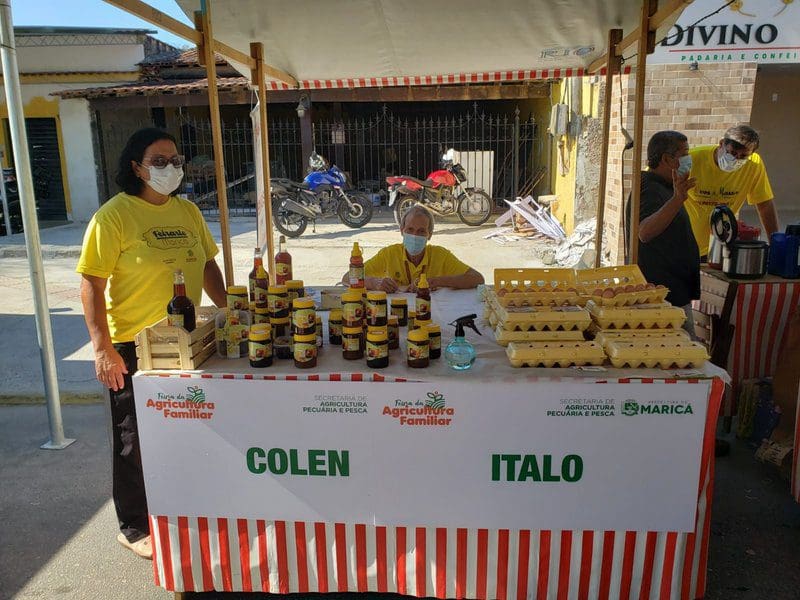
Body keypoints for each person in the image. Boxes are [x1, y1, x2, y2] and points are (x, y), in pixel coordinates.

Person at [76, 128, 226, 559]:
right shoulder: (114, 216)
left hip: (186, 341)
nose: (170, 168)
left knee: (182, 428)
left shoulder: (187, 211)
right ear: (136, 167)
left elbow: (208, 265)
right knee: (133, 438)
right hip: (132, 345)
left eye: (175, 160)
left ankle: (178, 508)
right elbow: (91, 283)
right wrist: (102, 348)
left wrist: (232, 309)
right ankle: (133, 526)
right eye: (158, 161)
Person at [626, 130, 699, 330]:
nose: (689, 159)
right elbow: (644, 232)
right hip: (661, 296)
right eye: (685, 154)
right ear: (666, 159)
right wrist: (677, 199)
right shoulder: (649, 188)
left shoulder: (666, 187)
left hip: (673, 293)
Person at [685, 124, 779, 257]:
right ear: (721, 144)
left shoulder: (754, 165)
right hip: (683, 245)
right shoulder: (691, 159)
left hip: (719, 247)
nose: (736, 159)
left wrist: (775, 245)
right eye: (733, 153)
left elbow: (765, 204)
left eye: (743, 156)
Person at [344, 204, 484, 291]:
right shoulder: (389, 254)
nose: (415, 235)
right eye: (410, 229)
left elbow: (477, 278)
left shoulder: (441, 255)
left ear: (429, 235)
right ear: (402, 230)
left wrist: (435, 282)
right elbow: (347, 277)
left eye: (421, 231)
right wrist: (374, 282)